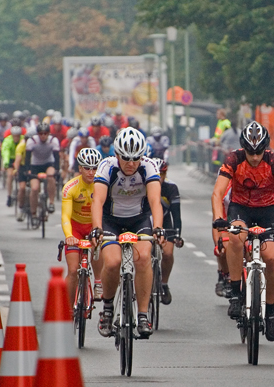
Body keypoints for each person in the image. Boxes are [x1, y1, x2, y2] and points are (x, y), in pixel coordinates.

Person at [210, 122, 274, 342]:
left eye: (259, 152)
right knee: (235, 238)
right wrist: (219, 218)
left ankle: (271, 310)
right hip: (240, 208)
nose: (254, 157)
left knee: (271, 258)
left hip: (268, 210)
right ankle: (236, 293)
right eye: (250, 152)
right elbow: (217, 193)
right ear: (243, 148)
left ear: (265, 148)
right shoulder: (233, 159)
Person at [90, 127, 165, 338]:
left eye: (135, 158)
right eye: (126, 158)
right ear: (116, 155)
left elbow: (154, 201)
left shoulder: (149, 167)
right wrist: (96, 228)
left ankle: (142, 315)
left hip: (139, 219)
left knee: (142, 259)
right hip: (110, 220)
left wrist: (158, 227)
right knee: (112, 263)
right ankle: (107, 308)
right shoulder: (106, 167)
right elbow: (98, 201)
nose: (131, 163)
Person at [62, 148, 104, 305]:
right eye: (87, 168)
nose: (91, 172)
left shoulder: (102, 185)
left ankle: (98, 282)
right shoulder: (70, 187)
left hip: (94, 225)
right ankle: (67, 309)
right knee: (73, 270)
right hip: (76, 228)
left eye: (95, 168)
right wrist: (69, 236)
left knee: (98, 246)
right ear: (80, 168)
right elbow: (65, 216)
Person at [156, 160, 184, 305]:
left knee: (167, 253)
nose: (158, 178)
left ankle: (164, 284)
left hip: (166, 222)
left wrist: (177, 235)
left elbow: (176, 215)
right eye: (155, 175)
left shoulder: (171, 188)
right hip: (148, 222)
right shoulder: (142, 186)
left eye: (161, 175)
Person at [22, 122, 60, 218]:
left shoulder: (53, 140)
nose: (43, 136)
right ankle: (33, 212)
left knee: (51, 176)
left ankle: (51, 202)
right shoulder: (32, 141)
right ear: (38, 134)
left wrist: (57, 169)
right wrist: (28, 170)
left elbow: (56, 158)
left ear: (48, 134)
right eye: (41, 133)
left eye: (45, 133)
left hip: (48, 163)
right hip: (35, 165)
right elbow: (27, 157)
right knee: (34, 189)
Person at [1, 126, 23, 207]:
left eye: (18, 136)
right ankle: (9, 196)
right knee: (10, 175)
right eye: (14, 136)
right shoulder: (8, 140)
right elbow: (5, 152)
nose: (16, 138)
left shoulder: (23, 140)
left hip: (20, 159)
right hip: (11, 158)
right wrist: (6, 163)